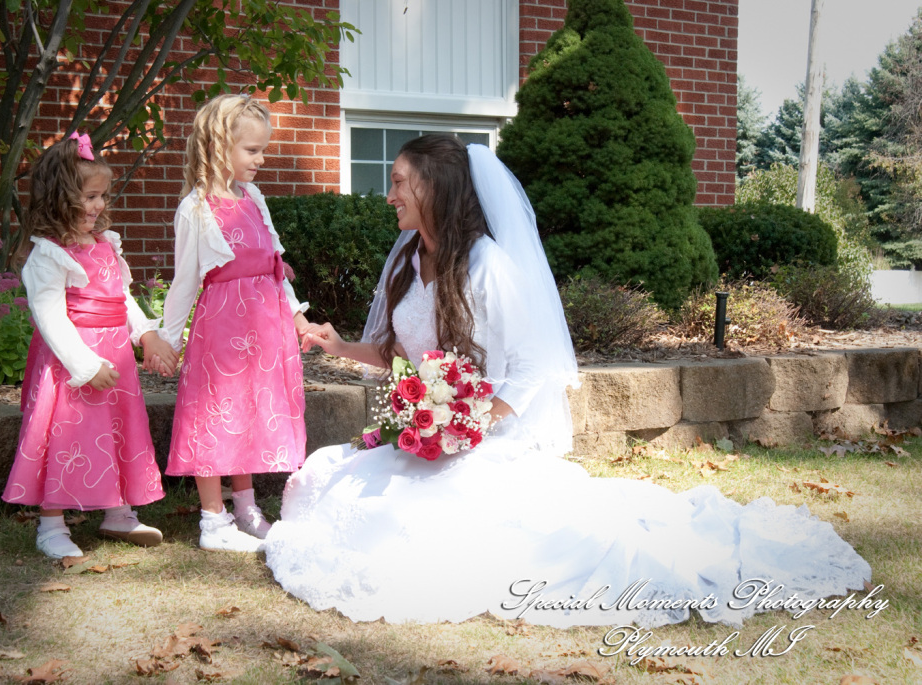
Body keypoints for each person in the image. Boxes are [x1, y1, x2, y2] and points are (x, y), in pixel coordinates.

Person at [262, 134, 871, 628]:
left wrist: (470, 422)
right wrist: (338, 345)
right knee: (328, 485)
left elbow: (534, 365)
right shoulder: (402, 257)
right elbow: (397, 350)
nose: (389, 194)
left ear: (433, 186)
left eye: (399, 182)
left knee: (415, 526)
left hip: (488, 434)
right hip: (433, 434)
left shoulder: (487, 265)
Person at [3, 131, 177, 559]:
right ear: (58, 198)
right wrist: (84, 364)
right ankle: (51, 525)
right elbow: (49, 316)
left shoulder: (104, 244)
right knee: (64, 436)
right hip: (72, 365)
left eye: (102, 196)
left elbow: (122, 298)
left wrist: (147, 335)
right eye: (89, 197)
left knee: (115, 432)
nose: (98, 206)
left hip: (115, 359)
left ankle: (118, 512)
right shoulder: (48, 254)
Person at [157, 94, 309, 553]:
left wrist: (298, 317)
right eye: (252, 150)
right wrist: (166, 339)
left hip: (263, 330)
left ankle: (245, 509)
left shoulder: (254, 198)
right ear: (219, 146)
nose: (261, 159)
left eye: (263, 150)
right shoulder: (196, 208)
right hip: (222, 332)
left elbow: (275, 265)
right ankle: (213, 520)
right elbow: (185, 281)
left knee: (245, 416)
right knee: (214, 415)